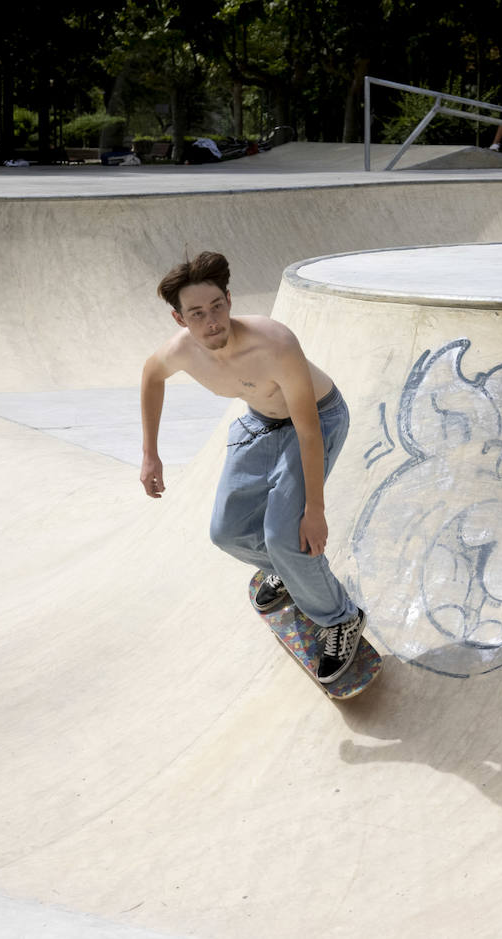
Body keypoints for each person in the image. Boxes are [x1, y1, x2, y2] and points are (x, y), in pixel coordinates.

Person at [139, 251, 364, 682]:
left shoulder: (274, 344)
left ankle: (340, 617)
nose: (212, 323)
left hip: (316, 419)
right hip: (261, 422)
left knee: (285, 535)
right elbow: (151, 376)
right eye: (197, 314)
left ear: (229, 298)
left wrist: (314, 511)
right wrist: (150, 453)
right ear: (179, 319)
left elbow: (310, 430)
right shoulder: (182, 351)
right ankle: (292, 572)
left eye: (218, 307)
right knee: (225, 531)